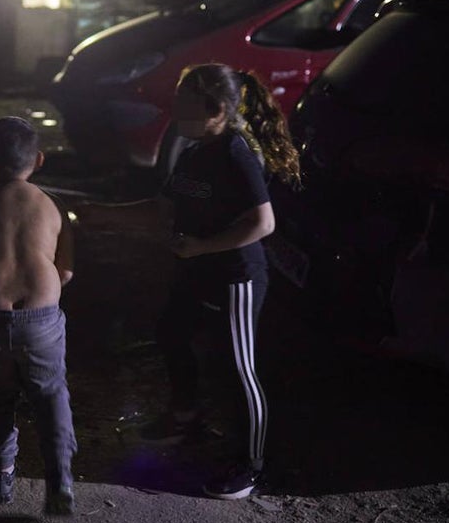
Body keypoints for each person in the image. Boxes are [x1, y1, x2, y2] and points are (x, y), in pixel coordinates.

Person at [83, 63, 301, 500]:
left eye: (183, 104)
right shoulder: (193, 148)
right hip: (196, 271)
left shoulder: (236, 151)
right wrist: (98, 213)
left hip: (235, 277)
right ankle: (186, 418)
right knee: (172, 332)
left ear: (217, 109)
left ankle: (252, 465)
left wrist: (202, 247)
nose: (174, 109)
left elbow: (264, 222)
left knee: (240, 368)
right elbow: (164, 207)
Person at [0, 116, 78, 516]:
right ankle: (60, 479)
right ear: (39, 160)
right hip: (40, 320)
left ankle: (1, 475)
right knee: (50, 395)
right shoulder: (54, 205)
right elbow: (66, 271)